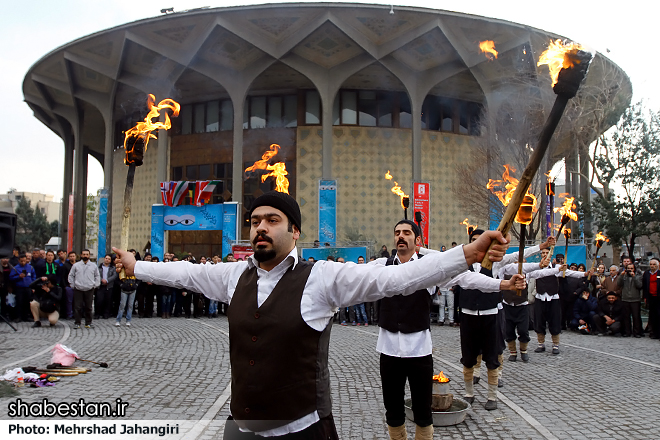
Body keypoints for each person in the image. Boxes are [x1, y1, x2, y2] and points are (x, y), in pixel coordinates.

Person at [113, 190, 512, 440]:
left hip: (302, 430)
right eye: (254, 222)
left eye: (272, 220)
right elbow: (185, 273)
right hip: (242, 430)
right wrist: (137, 265)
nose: (260, 229)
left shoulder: (323, 279)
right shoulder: (233, 275)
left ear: (295, 231)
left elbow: (400, 279)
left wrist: (469, 253)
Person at [532, 248, 587, 354]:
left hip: (553, 298)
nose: (544, 255)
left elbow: (571, 273)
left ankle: (555, 345)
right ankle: (541, 344)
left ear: (551, 255)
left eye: (547, 253)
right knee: (539, 321)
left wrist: (584, 274)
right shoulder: (536, 267)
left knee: (555, 321)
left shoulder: (556, 267)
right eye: (543, 253)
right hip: (540, 297)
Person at [68, 249, 100, 329]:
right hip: (78, 288)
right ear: (81, 255)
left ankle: (88, 322)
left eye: (87, 254)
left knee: (88, 307)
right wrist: (73, 285)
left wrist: (95, 285)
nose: (85, 256)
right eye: (84, 254)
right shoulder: (76, 265)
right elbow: (71, 275)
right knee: (77, 307)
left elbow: (97, 276)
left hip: (89, 288)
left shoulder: (93, 266)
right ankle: (77, 323)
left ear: (89, 256)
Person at [617, 262, 643, 337]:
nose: (630, 270)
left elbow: (639, 285)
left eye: (631, 268)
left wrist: (634, 277)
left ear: (634, 269)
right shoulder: (624, 276)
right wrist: (621, 276)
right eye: (628, 268)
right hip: (625, 299)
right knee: (626, 317)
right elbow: (618, 284)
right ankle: (627, 332)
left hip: (635, 299)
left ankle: (637, 332)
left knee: (636, 317)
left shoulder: (638, 276)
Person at [9, 253, 36, 321]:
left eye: (24, 261)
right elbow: (11, 278)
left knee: (27, 302)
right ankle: (18, 317)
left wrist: (33, 286)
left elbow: (34, 277)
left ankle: (26, 316)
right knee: (19, 302)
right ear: (19, 260)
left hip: (28, 287)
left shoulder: (30, 267)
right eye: (21, 261)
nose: (23, 262)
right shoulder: (15, 268)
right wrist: (18, 277)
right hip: (19, 288)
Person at [115, 260, 138, 326]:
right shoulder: (121, 269)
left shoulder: (134, 270)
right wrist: (121, 285)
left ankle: (128, 320)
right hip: (124, 289)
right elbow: (117, 279)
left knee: (130, 305)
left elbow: (139, 279)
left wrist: (136, 285)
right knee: (122, 305)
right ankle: (118, 320)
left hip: (132, 289)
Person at [642, 258, 660, 339]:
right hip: (650, 297)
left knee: (659, 315)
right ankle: (653, 332)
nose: (652, 266)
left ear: (657, 265)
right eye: (651, 264)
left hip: (658, 297)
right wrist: (645, 297)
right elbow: (644, 286)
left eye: (654, 264)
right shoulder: (646, 273)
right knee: (652, 316)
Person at [96, 254, 117, 319]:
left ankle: (106, 314)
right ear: (104, 259)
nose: (107, 260)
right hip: (100, 285)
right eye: (106, 258)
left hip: (109, 286)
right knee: (99, 300)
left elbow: (114, 276)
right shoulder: (99, 267)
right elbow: (97, 274)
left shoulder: (113, 268)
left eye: (109, 259)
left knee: (108, 300)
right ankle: (97, 313)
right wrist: (101, 280)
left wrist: (107, 280)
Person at [60, 251, 77, 319]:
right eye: (71, 256)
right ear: (68, 257)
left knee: (77, 301)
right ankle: (69, 314)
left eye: (73, 256)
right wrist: (65, 286)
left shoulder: (78, 264)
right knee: (69, 301)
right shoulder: (65, 265)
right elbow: (63, 276)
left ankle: (76, 314)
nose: (72, 257)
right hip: (69, 286)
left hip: (78, 286)